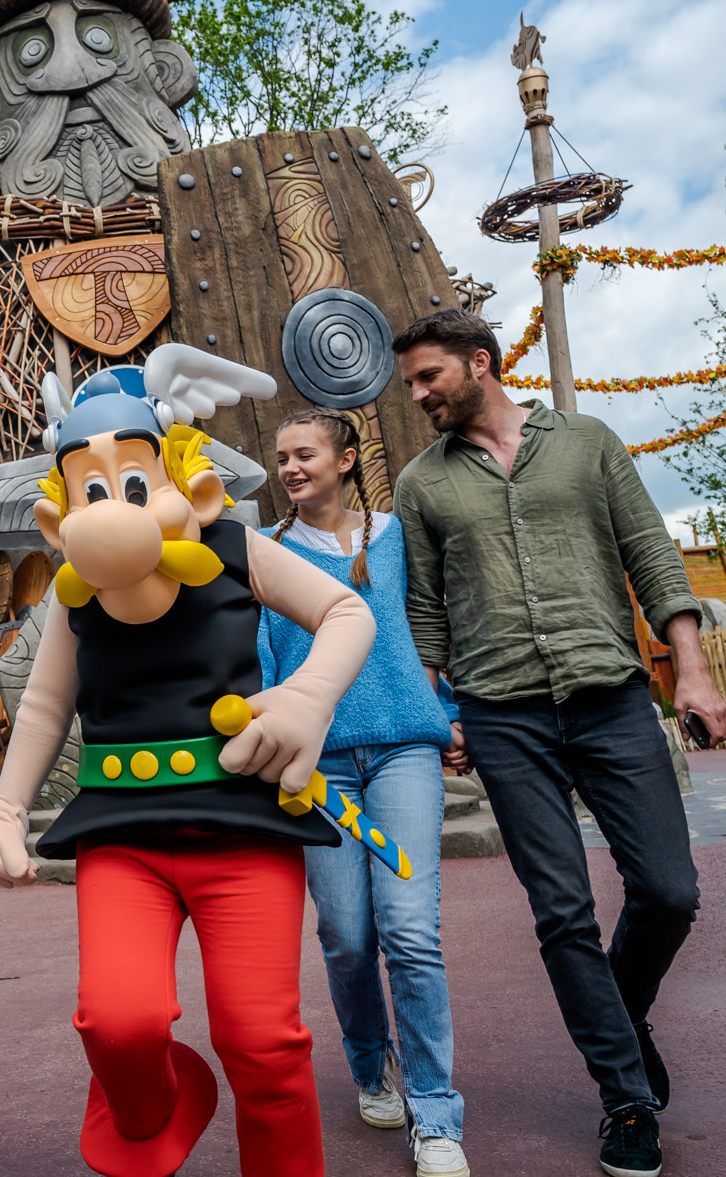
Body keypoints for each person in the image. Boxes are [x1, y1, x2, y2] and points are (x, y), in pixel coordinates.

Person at [0, 361, 375, 1177]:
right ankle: (158, 1105)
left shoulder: (233, 544)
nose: (109, 506)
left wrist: (307, 698)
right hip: (124, 832)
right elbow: (49, 705)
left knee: (262, 1039)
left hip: (242, 822)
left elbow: (345, 610)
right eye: (88, 487)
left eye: (127, 476)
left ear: (170, 472)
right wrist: (6, 809)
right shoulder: (74, 590)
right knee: (117, 1023)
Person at [390, 309, 726, 1177]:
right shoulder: (422, 484)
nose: (419, 395)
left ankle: (622, 1011)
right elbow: (424, 611)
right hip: (504, 716)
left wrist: (689, 666)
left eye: (430, 377)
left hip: (612, 697)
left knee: (669, 889)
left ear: (480, 362)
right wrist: (443, 713)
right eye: (412, 383)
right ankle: (625, 1097)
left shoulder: (587, 442)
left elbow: (651, 552)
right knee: (563, 912)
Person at [258, 409, 468, 1177]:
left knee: (411, 928)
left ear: (345, 459)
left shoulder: (396, 538)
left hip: (405, 750)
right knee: (348, 934)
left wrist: (450, 716)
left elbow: (427, 627)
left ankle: (436, 1110)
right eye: (280, 456)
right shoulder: (267, 553)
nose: (288, 466)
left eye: (303, 453)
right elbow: (262, 663)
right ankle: (368, 1057)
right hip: (321, 767)